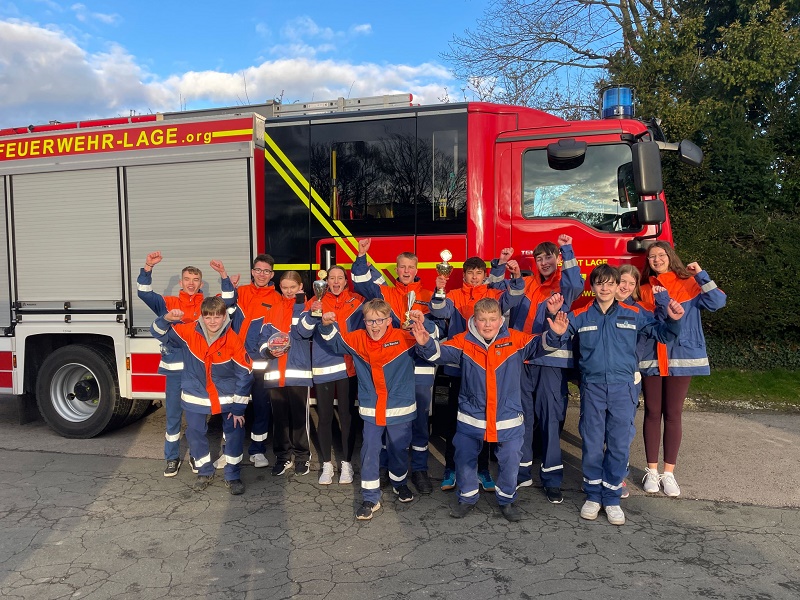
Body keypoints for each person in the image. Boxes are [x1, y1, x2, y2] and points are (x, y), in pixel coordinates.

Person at [545, 264, 685, 525]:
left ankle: (611, 498)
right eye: (600, 283)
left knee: (619, 444)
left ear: (616, 285)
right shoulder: (581, 315)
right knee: (592, 443)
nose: (605, 288)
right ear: (593, 286)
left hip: (623, 389)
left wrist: (674, 320)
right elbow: (557, 339)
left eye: (610, 283)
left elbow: (663, 335)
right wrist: (555, 328)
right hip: (593, 388)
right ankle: (593, 496)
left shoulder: (634, 314)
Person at [414, 298, 568, 522]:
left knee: (510, 460)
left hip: (507, 417)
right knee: (465, 457)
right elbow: (440, 353)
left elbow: (540, 345)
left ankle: (506, 499)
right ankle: (467, 497)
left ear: (500, 320)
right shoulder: (464, 342)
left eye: (492, 319)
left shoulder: (514, 340)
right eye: (482, 320)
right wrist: (425, 343)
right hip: (472, 417)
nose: (487, 325)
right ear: (474, 321)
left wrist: (554, 334)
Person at [318, 299, 432, 520]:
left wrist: (423, 324)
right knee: (370, 451)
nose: (375, 325)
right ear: (364, 321)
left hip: (400, 409)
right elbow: (335, 343)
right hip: (372, 409)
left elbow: (429, 344)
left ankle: (399, 484)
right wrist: (325, 325)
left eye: (380, 320)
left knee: (398, 449)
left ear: (389, 321)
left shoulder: (404, 338)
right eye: (370, 321)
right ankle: (370, 497)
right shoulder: (357, 339)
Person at [492, 236, 583, 504]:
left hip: (552, 362)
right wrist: (500, 265)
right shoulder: (527, 283)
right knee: (523, 417)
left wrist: (567, 248)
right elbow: (498, 297)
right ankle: (522, 471)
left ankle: (552, 478)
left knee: (550, 419)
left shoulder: (564, 286)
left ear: (557, 259)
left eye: (548, 257)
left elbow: (576, 282)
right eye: (539, 258)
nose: (543, 262)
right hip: (524, 359)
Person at [428, 254, 525, 493]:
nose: (474, 277)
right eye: (470, 273)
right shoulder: (454, 296)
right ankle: (451, 468)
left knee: (485, 422)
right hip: (456, 367)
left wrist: (517, 277)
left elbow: (514, 296)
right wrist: (439, 290)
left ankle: (482, 469)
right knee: (455, 423)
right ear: (463, 275)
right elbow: (438, 311)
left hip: (485, 369)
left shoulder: (492, 296)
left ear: (484, 275)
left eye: (479, 273)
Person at [350, 238, 440, 495]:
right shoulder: (385, 292)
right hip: (393, 365)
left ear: (416, 268)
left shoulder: (428, 296)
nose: (406, 271)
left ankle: (420, 470)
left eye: (410, 266)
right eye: (402, 267)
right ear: (396, 269)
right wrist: (360, 256)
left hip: (419, 364)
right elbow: (361, 281)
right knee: (390, 418)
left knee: (420, 421)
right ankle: (390, 470)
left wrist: (424, 325)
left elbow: (440, 327)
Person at [638, 242, 727, 497]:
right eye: (651, 257)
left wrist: (701, 274)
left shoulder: (689, 283)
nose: (656, 259)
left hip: (681, 356)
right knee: (653, 412)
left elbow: (718, 302)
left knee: (673, 413)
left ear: (670, 256)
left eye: (660, 255)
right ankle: (652, 472)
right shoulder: (644, 288)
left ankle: (669, 474)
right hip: (653, 357)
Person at [137, 252, 236, 477]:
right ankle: (171, 458)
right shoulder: (169, 303)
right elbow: (143, 294)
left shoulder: (206, 304)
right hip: (175, 369)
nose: (191, 284)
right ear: (181, 283)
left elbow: (229, 299)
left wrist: (223, 274)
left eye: (196, 280)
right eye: (187, 280)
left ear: (201, 283)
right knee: (172, 415)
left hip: (199, 370)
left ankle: (195, 455)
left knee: (196, 419)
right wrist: (147, 268)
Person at [151, 297, 253, 494]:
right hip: (195, 395)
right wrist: (166, 318)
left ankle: (232, 475)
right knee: (195, 433)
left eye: (217, 316)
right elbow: (157, 332)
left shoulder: (233, 339)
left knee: (234, 433)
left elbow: (245, 373)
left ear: (225, 317)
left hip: (226, 397)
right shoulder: (188, 331)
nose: (213, 321)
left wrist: (239, 408)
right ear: (202, 317)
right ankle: (204, 471)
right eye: (208, 317)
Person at [297, 265, 365, 485]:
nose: (336, 282)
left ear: (346, 281)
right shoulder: (316, 301)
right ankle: (327, 464)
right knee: (325, 417)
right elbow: (303, 331)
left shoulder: (357, 301)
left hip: (348, 367)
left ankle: (346, 463)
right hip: (324, 366)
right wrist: (312, 313)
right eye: (332, 278)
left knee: (346, 417)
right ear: (325, 283)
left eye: (340, 278)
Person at [224, 254, 280, 470]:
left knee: (260, 406)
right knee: (231, 406)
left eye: (266, 271)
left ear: (272, 274)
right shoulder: (240, 293)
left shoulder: (276, 298)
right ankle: (228, 450)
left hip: (259, 362)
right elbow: (222, 310)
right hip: (236, 361)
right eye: (258, 270)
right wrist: (227, 282)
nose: (262, 274)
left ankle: (258, 450)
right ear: (252, 271)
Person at [258, 271, 313, 477]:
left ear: (300, 287)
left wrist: (300, 304)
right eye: (285, 287)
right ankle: (283, 457)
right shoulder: (272, 310)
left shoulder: (308, 307)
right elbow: (263, 338)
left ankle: (302, 456)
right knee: (279, 419)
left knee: (299, 418)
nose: (288, 291)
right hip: (274, 371)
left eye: (292, 287)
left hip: (298, 371)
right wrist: (268, 351)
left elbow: (306, 333)